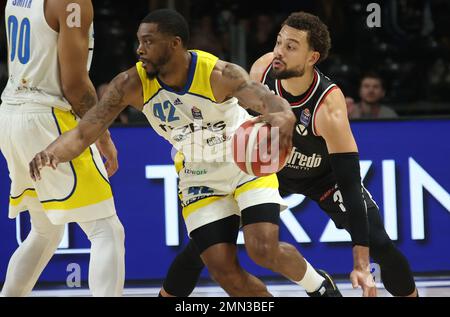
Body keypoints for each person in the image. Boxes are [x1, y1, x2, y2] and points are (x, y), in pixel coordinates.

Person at [28, 9, 341, 297]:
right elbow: (86, 131)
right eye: (139, 41)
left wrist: (284, 118)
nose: (139, 49)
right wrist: (52, 152)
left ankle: (318, 286)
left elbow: (270, 103)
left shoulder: (218, 73)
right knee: (223, 271)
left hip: (243, 164)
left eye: (148, 42)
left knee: (263, 249)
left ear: (174, 44)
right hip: (198, 176)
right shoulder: (130, 84)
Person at [159, 12, 418, 297]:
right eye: (279, 42)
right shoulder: (262, 70)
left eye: (291, 46)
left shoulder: (328, 107)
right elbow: (238, 127)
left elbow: (348, 180)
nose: (279, 51)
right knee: (205, 245)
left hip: (323, 178)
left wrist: (360, 261)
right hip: (269, 171)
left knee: (379, 242)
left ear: (312, 58)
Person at [0, 0, 125, 296]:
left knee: (45, 231)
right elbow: (75, 85)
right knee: (106, 230)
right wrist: (101, 135)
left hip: (11, 113)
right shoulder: (72, 2)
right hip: (48, 117)